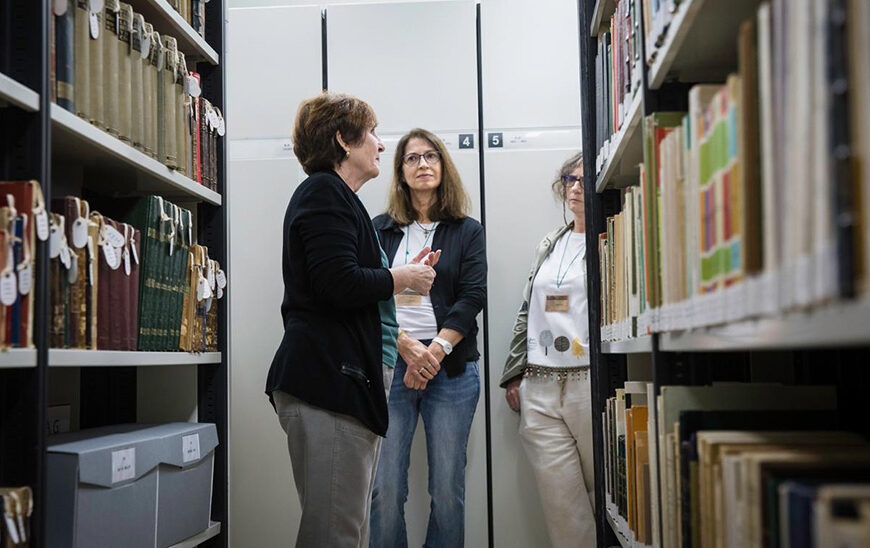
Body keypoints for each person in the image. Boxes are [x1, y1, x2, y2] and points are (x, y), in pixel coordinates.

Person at [265, 93, 438, 548]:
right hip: (329, 386)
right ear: (343, 138)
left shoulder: (339, 197)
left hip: (345, 386)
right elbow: (337, 284)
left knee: (347, 530)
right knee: (334, 536)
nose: (382, 145)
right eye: (374, 132)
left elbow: (349, 281)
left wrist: (400, 278)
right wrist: (401, 276)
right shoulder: (324, 191)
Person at [370, 128, 487, 548]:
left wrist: (434, 351)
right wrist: (407, 346)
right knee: (383, 491)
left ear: (443, 166)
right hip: (390, 365)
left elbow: (473, 297)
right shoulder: (378, 230)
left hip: (452, 370)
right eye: (412, 158)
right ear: (400, 172)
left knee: (447, 492)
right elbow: (366, 296)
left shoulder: (466, 231)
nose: (423, 164)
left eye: (431, 156)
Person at [500, 152, 596, 547]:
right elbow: (529, 309)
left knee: (607, 495)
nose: (575, 188)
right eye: (569, 180)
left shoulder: (613, 236)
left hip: (588, 382)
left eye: (583, 179)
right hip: (538, 385)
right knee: (562, 509)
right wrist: (514, 372)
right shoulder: (550, 245)